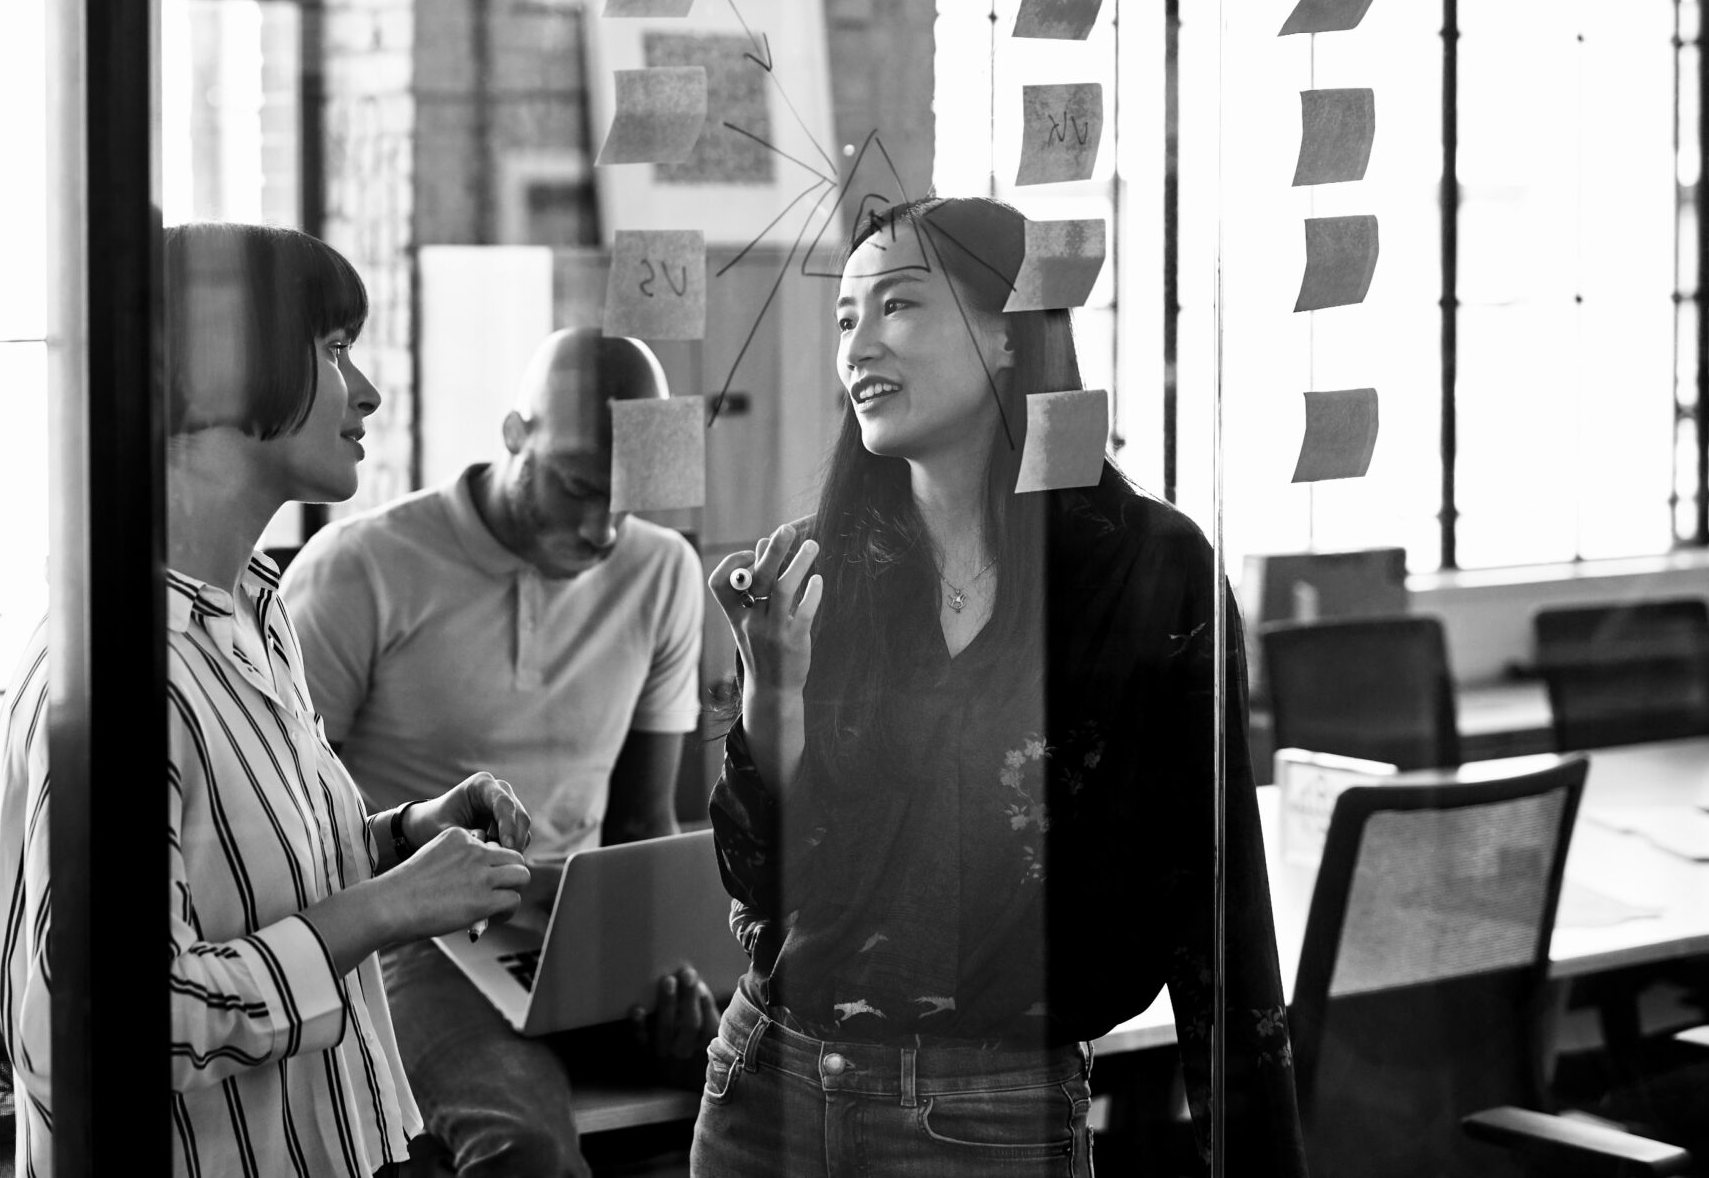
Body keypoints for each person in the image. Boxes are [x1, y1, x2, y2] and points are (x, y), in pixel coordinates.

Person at [694, 197, 1304, 1176]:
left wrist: (1253, 1154)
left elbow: (1215, 902)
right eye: (845, 316)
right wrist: (770, 698)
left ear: (1008, 337)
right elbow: (759, 881)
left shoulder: (1146, 569)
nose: (858, 344)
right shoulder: (819, 567)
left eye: (897, 306)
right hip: (767, 1085)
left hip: (989, 1112)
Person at [0, 222, 541, 1178]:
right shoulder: (117, 675)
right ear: (214, 381)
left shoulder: (252, 610)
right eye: (333, 352)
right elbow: (86, 1032)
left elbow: (237, 880)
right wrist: (383, 909)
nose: (365, 390)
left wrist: (399, 836)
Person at [284, 327, 717, 1178]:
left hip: (584, 927)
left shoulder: (663, 571)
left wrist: (669, 960)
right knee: (525, 1148)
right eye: (578, 486)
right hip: (417, 935)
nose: (602, 527)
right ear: (515, 434)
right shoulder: (362, 569)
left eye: (628, 501)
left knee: (786, 1080)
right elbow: (285, 822)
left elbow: (641, 818)